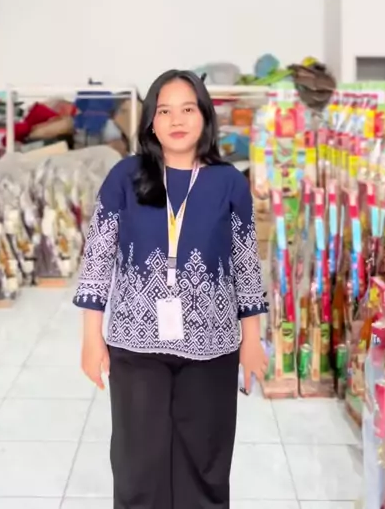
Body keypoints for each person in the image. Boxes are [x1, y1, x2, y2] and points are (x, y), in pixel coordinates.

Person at [73, 69, 268, 509]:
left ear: (205, 117)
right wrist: (91, 338)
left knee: (205, 464)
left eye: (187, 109)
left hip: (212, 346)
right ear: (151, 122)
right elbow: (97, 259)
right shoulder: (124, 177)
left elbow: (245, 264)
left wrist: (252, 339)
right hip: (136, 344)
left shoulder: (229, 182)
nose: (176, 120)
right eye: (164, 111)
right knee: (138, 467)